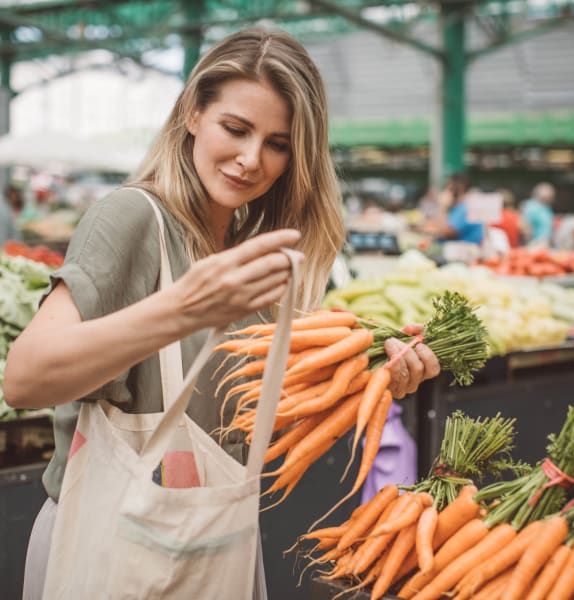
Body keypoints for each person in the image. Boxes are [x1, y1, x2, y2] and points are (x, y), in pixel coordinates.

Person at [4, 28, 440, 599]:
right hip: (111, 549)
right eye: (235, 129)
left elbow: (227, 426)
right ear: (191, 113)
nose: (250, 159)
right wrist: (183, 310)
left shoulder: (251, 256)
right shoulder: (131, 217)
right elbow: (26, 377)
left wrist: (364, 375)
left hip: (213, 547)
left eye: (277, 144)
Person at [424, 173, 484, 244]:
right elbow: (440, 225)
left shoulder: (465, 208)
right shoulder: (460, 207)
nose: (445, 192)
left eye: (448, 189)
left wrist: (443, 207)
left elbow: (447, 232)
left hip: (461, 251)